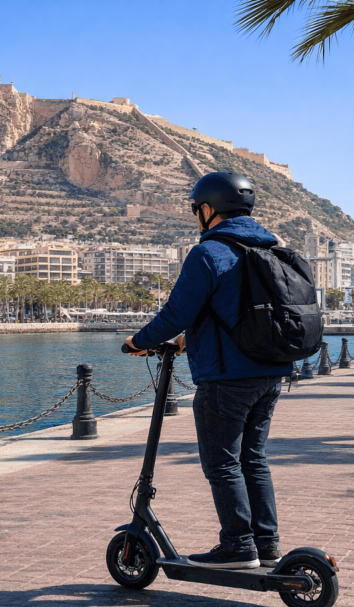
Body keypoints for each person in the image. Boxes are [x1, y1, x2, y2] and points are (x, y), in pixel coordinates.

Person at [124, 172, 293, 570]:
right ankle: (266, 544)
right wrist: (187, 340)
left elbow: (176, 314)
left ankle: (238, 546)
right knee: (253, 458)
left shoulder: (209, 253)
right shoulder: (268, 250)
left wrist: (138, 341)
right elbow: (235, 311)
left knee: (222, 463)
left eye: (196, 209)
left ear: (208, 209)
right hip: (270, 372)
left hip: (226, 378)